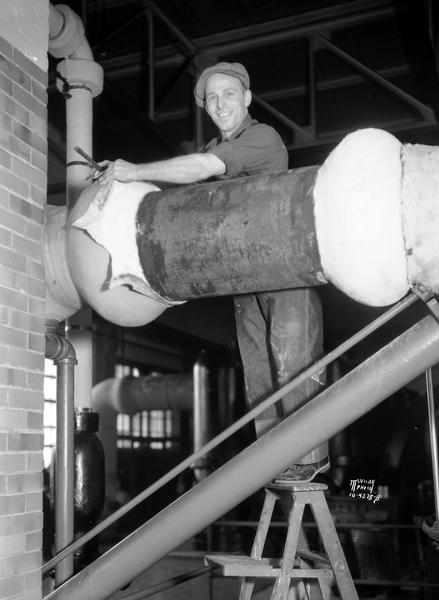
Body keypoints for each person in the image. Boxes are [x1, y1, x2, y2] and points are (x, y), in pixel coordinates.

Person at [96, 62, 329, 483]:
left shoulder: (262, 137)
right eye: (211, 98)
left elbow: (203, 169)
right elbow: (187, 200)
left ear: (247, 98)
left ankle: (308, 457)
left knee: (292, 364)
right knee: (259, 372)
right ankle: (273, 456)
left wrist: (134, 172)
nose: (220, 104)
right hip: (244, 276)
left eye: (228, 94)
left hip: (284, 270)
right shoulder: (210, 148)